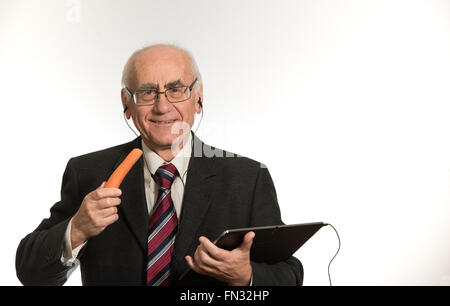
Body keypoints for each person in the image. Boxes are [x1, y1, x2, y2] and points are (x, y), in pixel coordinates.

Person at [15, 44, 303, 286]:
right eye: (147, 92)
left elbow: (289, 272)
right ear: (126, 103)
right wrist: (76, 229)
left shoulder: (248, 178)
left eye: (176, 90)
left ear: (199, 98)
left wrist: (247, 277)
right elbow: (30, 273)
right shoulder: (88, 173)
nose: (162, 107)